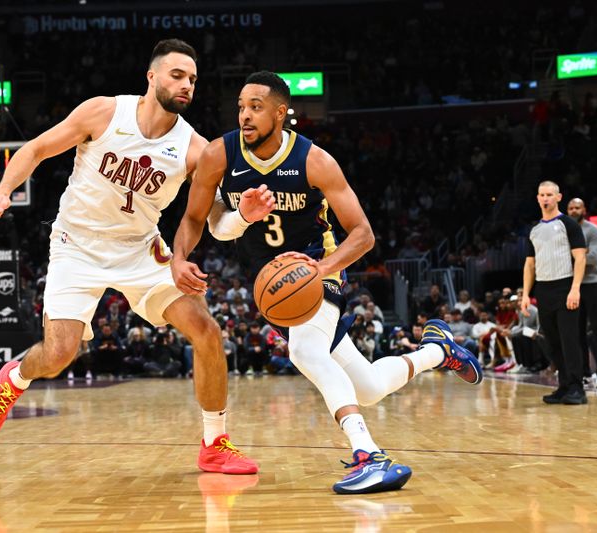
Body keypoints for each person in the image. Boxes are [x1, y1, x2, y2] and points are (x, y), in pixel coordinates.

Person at [171, 71, 482, 494]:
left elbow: (363, 234)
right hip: (273, 286)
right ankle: (436, 351)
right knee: (368, 387)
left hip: (316, 269)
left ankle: (369, 454)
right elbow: (196, 220)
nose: (245, 115)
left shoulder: (314, 160)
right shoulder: (218, 155)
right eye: (241, 106)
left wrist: (321, 268)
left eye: (256, 107)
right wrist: (180, 257)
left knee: (305, 350)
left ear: (281, 113)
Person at [0, 39, 257, 475]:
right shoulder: (103, 112)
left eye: (193, 80)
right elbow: (34, 149)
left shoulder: (194, 149)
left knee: (206, 330)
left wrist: (242, 216)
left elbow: (212, 219)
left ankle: (214, 442)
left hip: (141, 249)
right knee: (58, 354)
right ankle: (15, 378)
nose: (187, 86)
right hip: (77, 245)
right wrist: (1, 192)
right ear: (152, 77)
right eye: (177, 75)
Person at [522, 181, 587, 404]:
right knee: (552, 342)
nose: (546, 198)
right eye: (542, 195)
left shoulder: (568, 224)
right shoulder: (535, 230)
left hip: (565, 286)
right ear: (538, 198)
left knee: (570, 340)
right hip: (543, 289)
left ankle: (578, 388)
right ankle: (564, 386)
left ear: (558, 197)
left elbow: (580, 257)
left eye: (550, 194)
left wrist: (575, 288)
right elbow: (529, 265)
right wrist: (525, 295)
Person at [567, 198, 597, 388]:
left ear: (584, 209)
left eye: (577, 207)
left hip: (592, 283)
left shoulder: (593, 230)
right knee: (577, 330)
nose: (574, 211)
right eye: (571, 208)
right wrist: (581, 255)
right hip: (574, 285)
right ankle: (584, 372)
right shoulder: (565, 232)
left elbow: (593, 257)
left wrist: (574, 256)